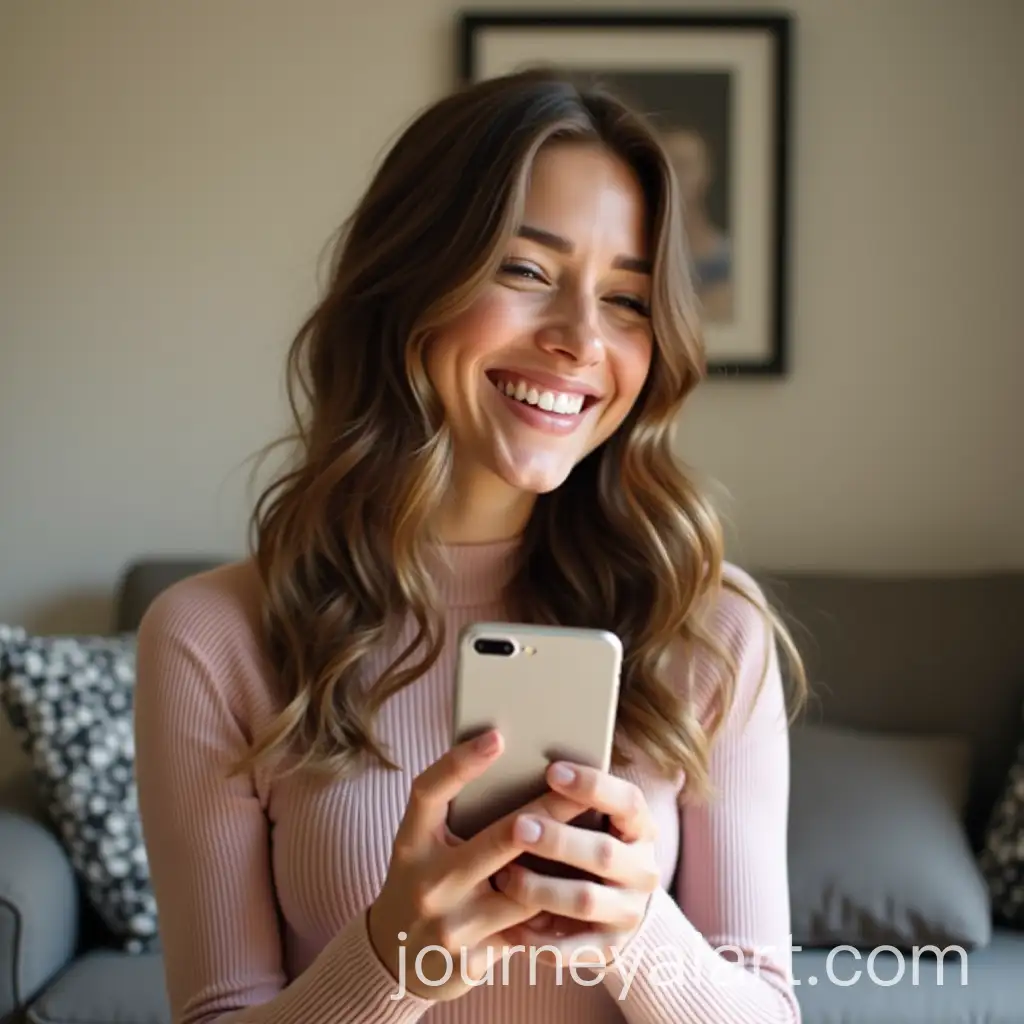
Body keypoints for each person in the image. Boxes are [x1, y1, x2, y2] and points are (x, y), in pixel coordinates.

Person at [133, 67, 808, 1024]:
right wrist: (391, 961)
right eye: (526, 271)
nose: (580, 340)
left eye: (625, 299)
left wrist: (638, 934)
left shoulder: (706, 626)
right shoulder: (212, 638)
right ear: (410, 284)